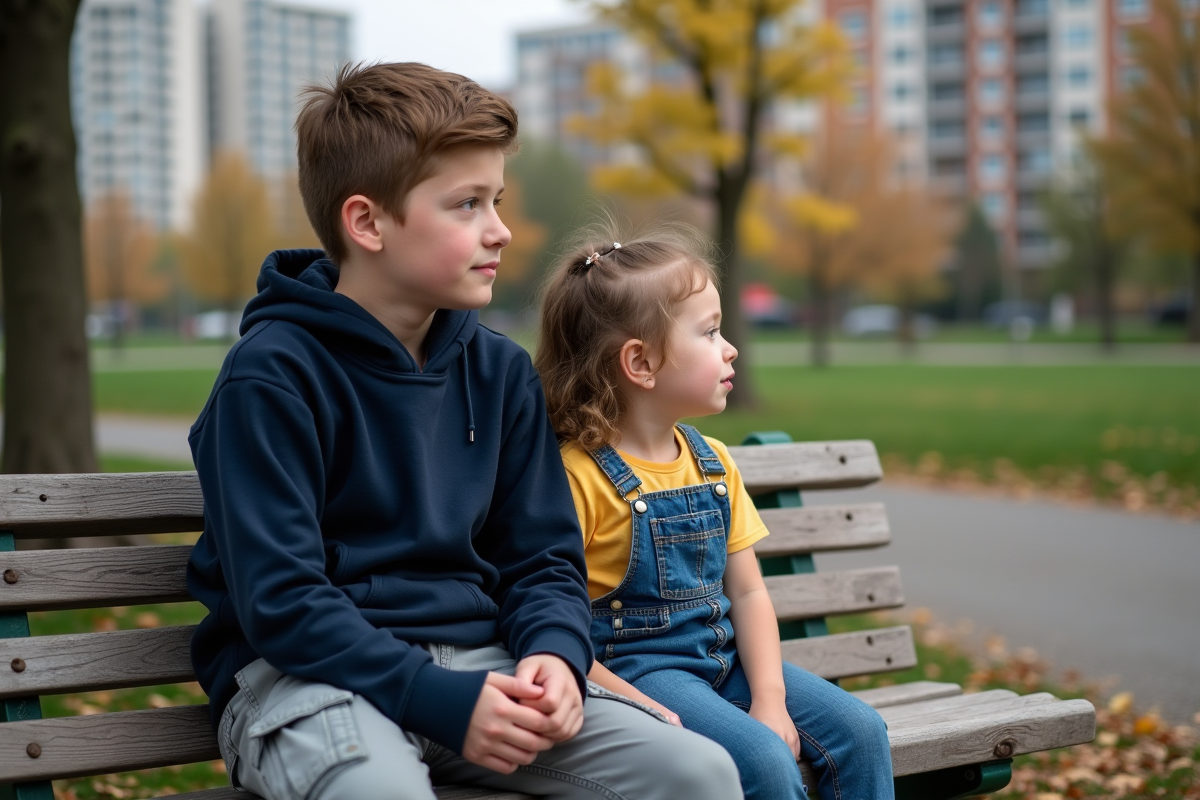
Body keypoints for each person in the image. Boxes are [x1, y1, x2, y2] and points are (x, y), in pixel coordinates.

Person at [186, 63, 743, 800]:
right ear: (367, 222)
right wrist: (434, 698)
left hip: (484, 668)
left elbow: (542, 559)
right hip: (304, 681)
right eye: (467, 205)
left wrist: (553, 651)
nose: (501, 229)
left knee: (696, 773)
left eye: (498, 200)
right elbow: (283, 600)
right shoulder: (271, 377)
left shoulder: (500, 373)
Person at [535, 222, 896, 800]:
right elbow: (559, 629)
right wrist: (642, 708)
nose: (730, 349)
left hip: (724, 661)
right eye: (709, 332)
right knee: (762, 761)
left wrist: (770, 699)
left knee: (862, 731)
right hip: (641, 675)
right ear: (641, 362)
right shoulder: (578, 478)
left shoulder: (713, 463)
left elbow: (749, 594)